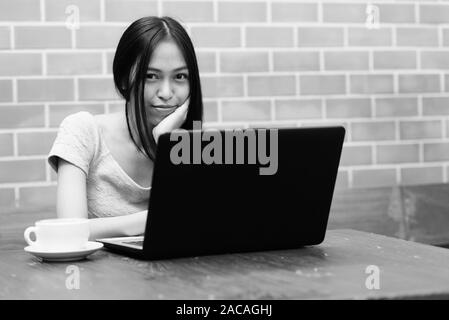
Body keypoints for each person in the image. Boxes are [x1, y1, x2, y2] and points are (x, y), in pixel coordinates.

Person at [47, 16, 203, 240]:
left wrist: (167, 145)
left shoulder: (189, 145)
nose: (167, 93)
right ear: (123, 80)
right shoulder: (83, 130)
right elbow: (69, 230)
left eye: (180, 76)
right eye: (151, 76)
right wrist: (152, 220)